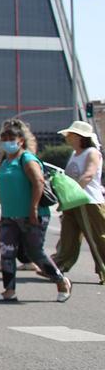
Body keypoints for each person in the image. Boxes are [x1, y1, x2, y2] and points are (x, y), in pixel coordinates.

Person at [0, 118, 71, 302]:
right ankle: (9, 291)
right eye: (4, 137)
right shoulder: (4, 161)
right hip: (9, 215)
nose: (7, 140)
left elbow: (38, 183)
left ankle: (61, 281)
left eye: (12, 137)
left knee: (35, 253)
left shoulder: (27, 158)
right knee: (6, 252)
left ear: (21, 140)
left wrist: (33, 209)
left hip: (32, 215)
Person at [50, 120, 105, 284]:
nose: (67, 138)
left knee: (97, 238)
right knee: (68, 236)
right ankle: (56, 267)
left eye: (71, 135)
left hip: (89, 202)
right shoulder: (75, 154)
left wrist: (73, 192)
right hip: (73, 202)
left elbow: (88, 175)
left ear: (80, 137)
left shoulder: (92, 153)